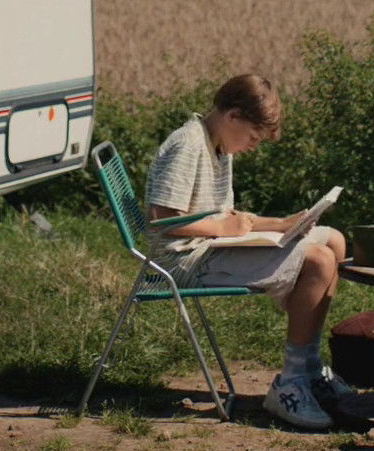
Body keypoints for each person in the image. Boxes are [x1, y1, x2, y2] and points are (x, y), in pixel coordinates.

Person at [146, 73, 353, 429]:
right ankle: (290, 383)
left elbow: (226, 217)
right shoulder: (187, 145)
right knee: (319, 260)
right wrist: (222, 229)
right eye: (253, 138)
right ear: (233, 116)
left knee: (333, 241)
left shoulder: (217, 145)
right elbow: (162, 219)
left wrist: (282, 224)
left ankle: (309, 366)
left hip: (211, 248)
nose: (253, 147)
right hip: (185, 262)